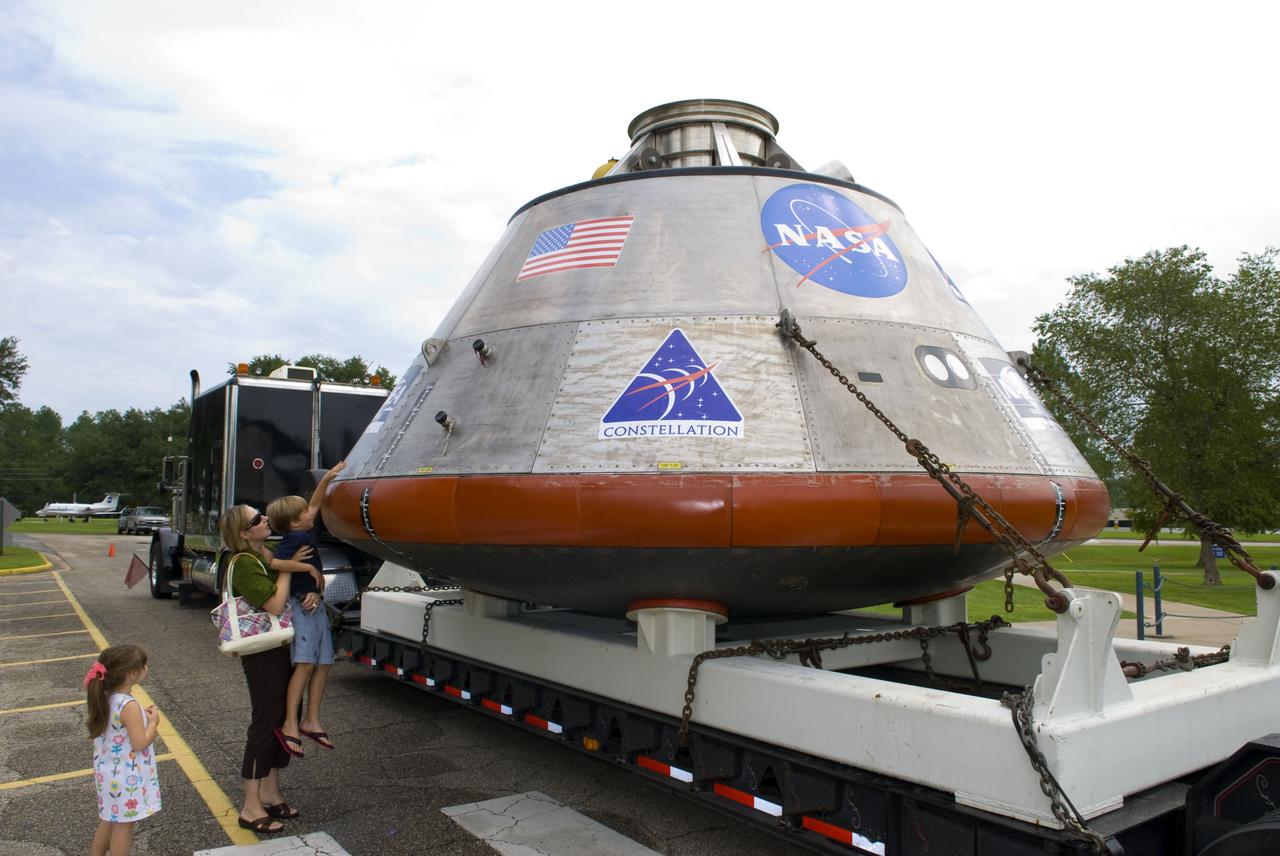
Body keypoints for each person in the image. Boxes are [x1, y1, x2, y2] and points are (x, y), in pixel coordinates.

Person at [218, 504, 315, 834]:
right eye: (256, 519)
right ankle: (250, 804)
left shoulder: (266, 553)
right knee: (265, 720)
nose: (264, 520)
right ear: (245, 533)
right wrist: (289, 570)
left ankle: (271, 793)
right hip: (263, 653)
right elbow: (274, 603)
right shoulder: (244, 563)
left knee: (283, 717)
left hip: (282, 646)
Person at [267, 460, 346, 756]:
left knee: (323, 663)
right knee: (305, 665)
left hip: (315, 603)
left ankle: (312, 719)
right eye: (303, 513)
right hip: (303, 606)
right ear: (294, 523)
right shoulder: (296, 538)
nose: (309, 513)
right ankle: (291, 722)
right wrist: (308, 570)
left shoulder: (302, 529)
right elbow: (275, 562)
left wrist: (328, 478)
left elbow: (314, 503)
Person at [86, 644, 160, 856]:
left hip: (108, 774)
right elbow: (139, 742)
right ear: (131, 674)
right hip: (126, 776)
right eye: (144, 665)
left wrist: (142, 718)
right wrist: (153, 723)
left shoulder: (106, 696)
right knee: (123, 827)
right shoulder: (128, 705)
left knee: (109, 819)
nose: (147, 668)